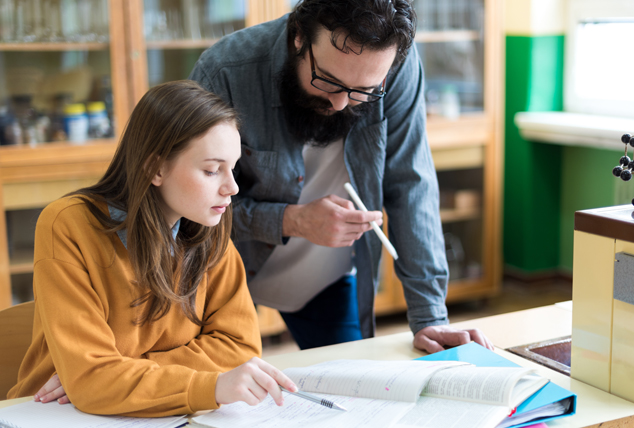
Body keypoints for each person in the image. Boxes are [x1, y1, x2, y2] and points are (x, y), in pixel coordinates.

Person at [189, 0, 493, 352]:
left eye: (363, 91)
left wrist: (430, 318)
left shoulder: (395, 68)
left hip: (324, 278)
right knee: (225, 392)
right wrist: (292, 221)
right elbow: (192, 209)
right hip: (226, 271)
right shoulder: (225, 71)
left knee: (352, 390)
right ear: (299, 36)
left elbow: (411, 185)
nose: (340, 105)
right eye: (329, 81)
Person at [7, 81, 297, 415]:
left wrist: (115, 373)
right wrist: (210, 384)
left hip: (146, 412)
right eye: (211, 170)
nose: (231, 188)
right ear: (155, 168)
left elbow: (240, 349)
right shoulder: (68, 226)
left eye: (232, 168)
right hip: (52, 413)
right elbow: (91, 381)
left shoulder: (209, 228)